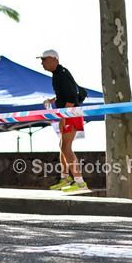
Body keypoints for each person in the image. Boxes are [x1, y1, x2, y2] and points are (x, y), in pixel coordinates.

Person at [38, 49, 88, 193]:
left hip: (70, 113)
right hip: (68, 113)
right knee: (63, 145)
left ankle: (80, 182)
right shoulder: (58, 74)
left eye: (44, 59)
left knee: (66, 146)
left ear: (54, 59)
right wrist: (52, 100)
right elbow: (66, 94)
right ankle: (65, 178)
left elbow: (72, 96)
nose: (42, 62)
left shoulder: (62, 74)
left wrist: (65, 116)